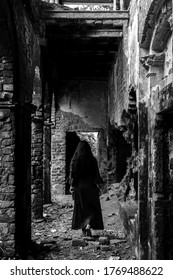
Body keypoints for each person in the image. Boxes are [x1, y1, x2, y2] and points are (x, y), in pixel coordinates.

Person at [69, 140, 104, 236]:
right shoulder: (92, 160)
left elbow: (72, 176)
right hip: (91, 187)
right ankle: (89, 225)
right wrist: (99, 186)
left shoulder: (74, 161)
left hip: (79, 188)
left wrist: (72, 186)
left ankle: (84, 229)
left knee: (81, 208)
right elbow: (96, 175)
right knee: (91, 208)